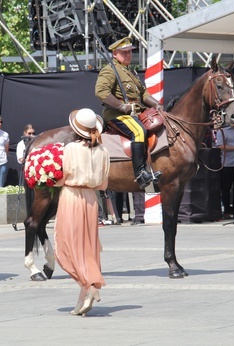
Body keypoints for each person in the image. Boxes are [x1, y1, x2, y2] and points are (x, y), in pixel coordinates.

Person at [54, 108, 110, 316]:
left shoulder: (70, 149)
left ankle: (89, 285)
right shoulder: (103, 151)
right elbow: (104, 183)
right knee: (88, 246)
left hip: (71, 195)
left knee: (67, 245)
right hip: (91, 199)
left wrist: (49, 181)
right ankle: (83, 297)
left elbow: (63, 175)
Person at [95, 37, 162, 189]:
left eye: (130, 52)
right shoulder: (110, 70)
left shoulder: (131, 72)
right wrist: (121, 106)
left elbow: (143, 94)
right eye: (124, 52)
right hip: (117, 114)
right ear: (114, 54)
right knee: (139, 131)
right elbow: (101, 92)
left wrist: (157, 104)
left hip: (136, 113)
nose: (128, 55)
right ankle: (140, 173)